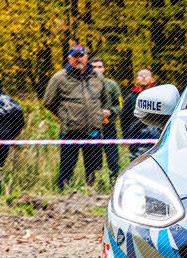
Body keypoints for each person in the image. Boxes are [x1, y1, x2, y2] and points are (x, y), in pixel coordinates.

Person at [43, 44, 105, 189]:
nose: (79, 59)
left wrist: (99, 113)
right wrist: (64, 114)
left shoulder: (97, 76)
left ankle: (92, 191)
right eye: (75, 56)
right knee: (67, 166)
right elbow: (48, 102)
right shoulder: (59, 77)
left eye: (81, 56)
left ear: (86, 57)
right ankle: (64, 191)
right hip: (70, 130)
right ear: (69, 59)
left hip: (93, 129)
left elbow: (104, 98)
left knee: (93, 166)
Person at [90, 56, 124, 177]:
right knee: (93, 159)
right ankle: (94, 182)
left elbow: (120, 104)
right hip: (91, 127)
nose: (97, 69)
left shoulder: (112, 85)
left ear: (104, 69)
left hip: (109, 126)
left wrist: (111, 111)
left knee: (113, 158)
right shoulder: (85, 85)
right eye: (94, 67)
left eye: (99, 67)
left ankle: (114, 180)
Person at [120, 68, 162, 153]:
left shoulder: (159, 95)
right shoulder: (131, 96)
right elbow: (124, 118)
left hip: (156, 134)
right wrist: (126, 137)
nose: (143, 77)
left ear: (152, 79)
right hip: (135, 135)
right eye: (140, 75)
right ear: (136, 80)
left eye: (146, 75)